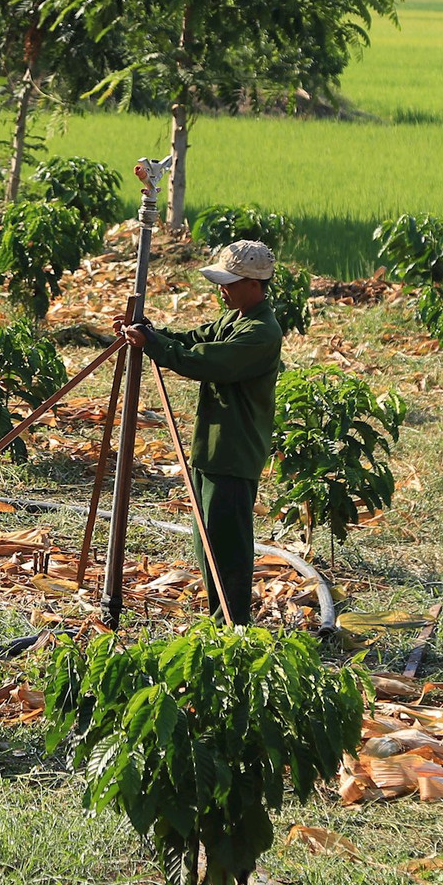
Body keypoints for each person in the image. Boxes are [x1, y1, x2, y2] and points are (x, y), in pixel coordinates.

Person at [114, 239, 283, 625]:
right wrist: (152, 332)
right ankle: (217, 618)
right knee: (205, 541)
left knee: (227, 547)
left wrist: (155, 345)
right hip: (211, 448)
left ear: (255, 284)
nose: (222, 290)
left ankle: (234, 627)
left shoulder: (261, 332)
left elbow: (204, 361)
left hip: (234, 452)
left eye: (229, 282)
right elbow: (194, 339)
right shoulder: (235, 318)